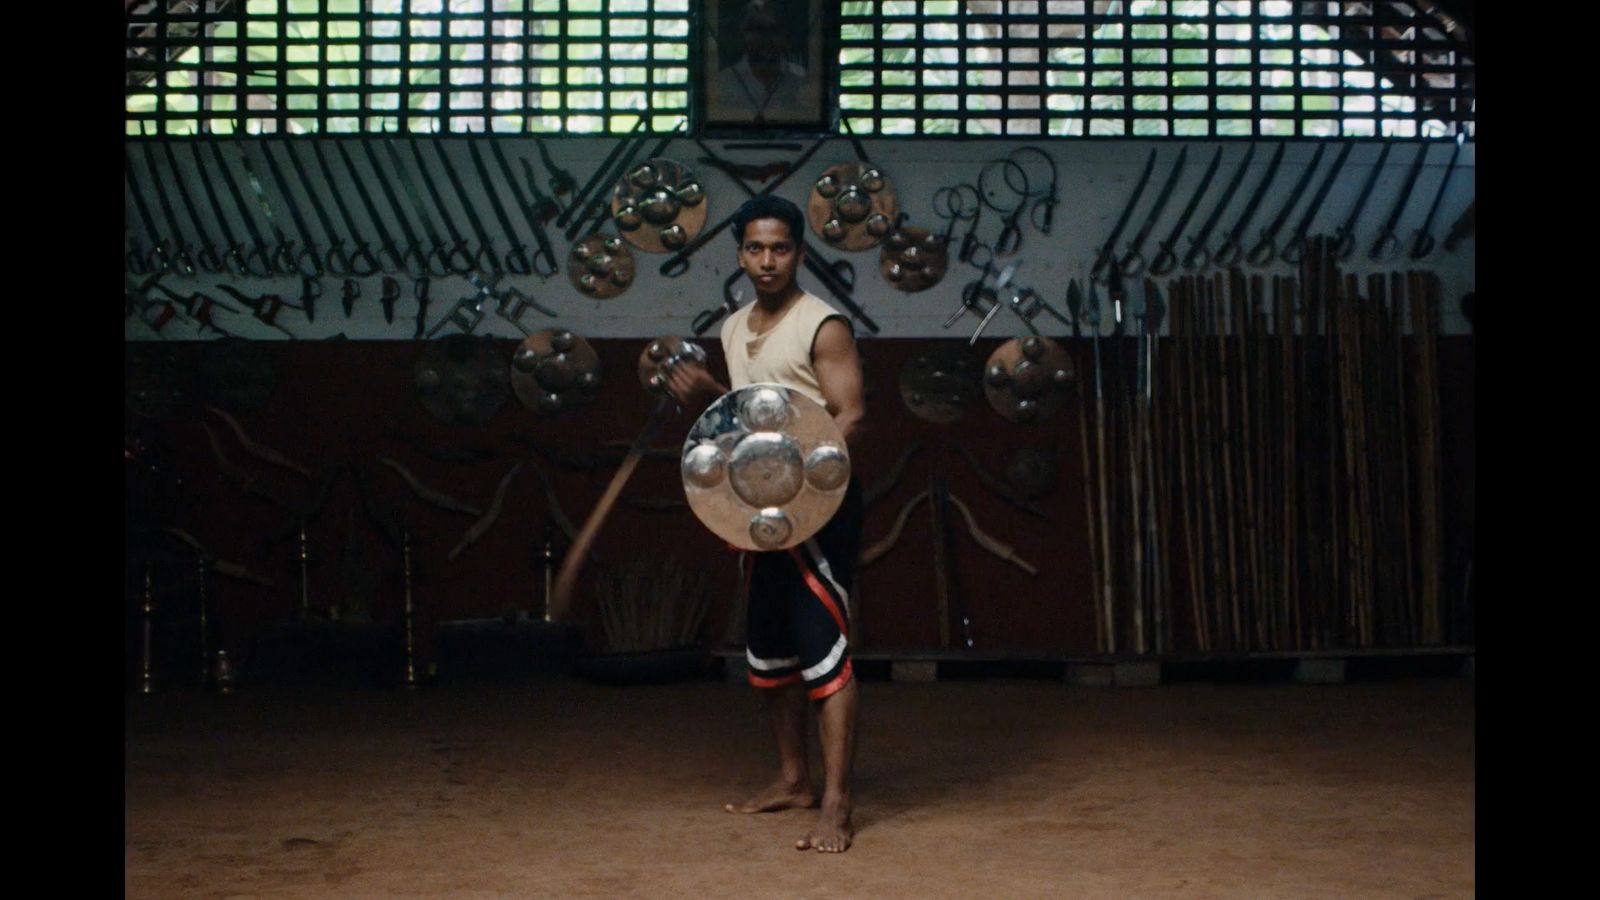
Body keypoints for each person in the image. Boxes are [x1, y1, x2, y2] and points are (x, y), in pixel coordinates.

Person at [665, 195, 865, 853]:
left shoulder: (822, 325)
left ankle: (835, 803)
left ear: (800, 253)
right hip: (757, 513)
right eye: (755, 248)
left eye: (780, 248)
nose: (768, 259)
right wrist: (704, 400)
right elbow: (745, 420)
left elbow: (850, 412)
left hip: (817, 510)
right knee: (771, 652)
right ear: (741, 255)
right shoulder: (730, 329)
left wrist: (807, 486)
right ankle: (793, 779)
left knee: (826, 651)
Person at [710, 0, 819, 125]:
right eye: (757, 30)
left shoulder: (803, 80)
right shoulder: (723, 84)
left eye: (774, 30)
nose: (766, 38)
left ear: (785, 35)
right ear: (742, 34)